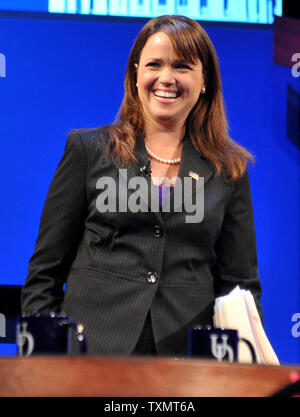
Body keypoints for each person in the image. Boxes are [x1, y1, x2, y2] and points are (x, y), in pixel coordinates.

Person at [21, 15, 263, 356]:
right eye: (154, 64)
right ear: (136, 74)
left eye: (182, 66)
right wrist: (46, 357)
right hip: (90, 358)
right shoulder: (88, 149)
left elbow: (240, 286)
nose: (166, 78)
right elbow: (44, 273)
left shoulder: (230, 168)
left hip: (188, 364)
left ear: (204, 80)